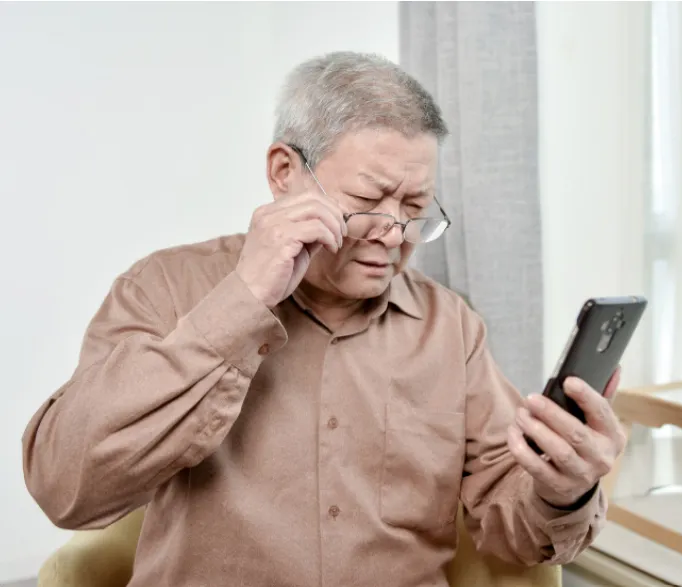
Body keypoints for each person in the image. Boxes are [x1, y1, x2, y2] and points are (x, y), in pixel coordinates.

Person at [22, 52, 626, 587]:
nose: (393, 233)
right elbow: (63, 486)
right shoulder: (163, 287)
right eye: (366, 201)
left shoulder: (450, 326)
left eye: (415, 208)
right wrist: (243, 300)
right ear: (285, 173)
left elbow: (513, 531)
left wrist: (564, 488)